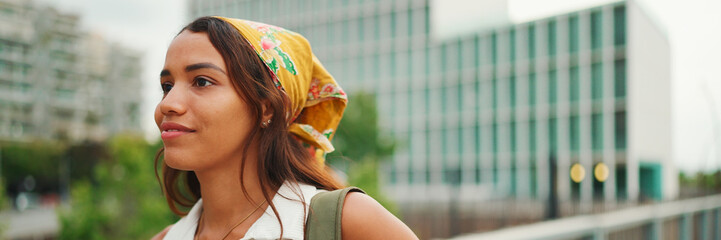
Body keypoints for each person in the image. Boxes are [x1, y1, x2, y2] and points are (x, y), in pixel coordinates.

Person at [151, 16, 418, 240]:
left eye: (202, 81)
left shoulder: (347, 221)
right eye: (167, 86)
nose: (168, 104)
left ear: (267, 107)